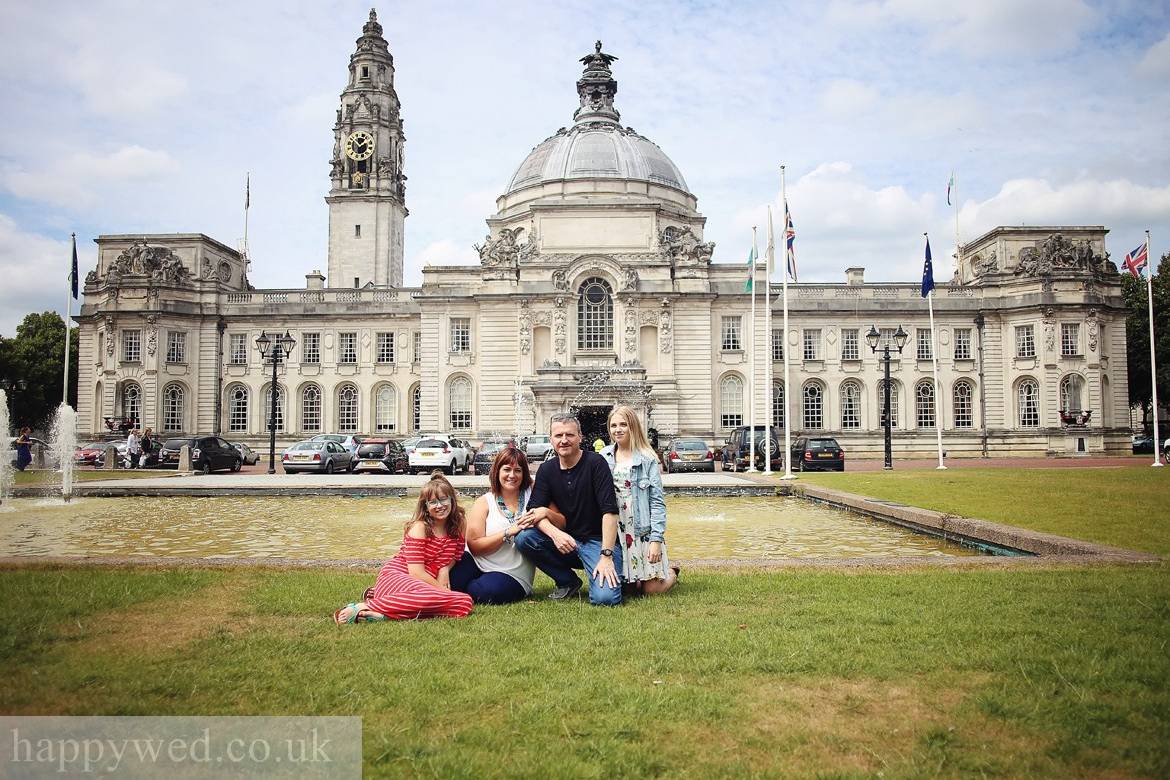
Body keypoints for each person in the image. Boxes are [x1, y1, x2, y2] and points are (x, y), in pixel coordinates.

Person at [334, 471, 474, 623]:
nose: (439, 506)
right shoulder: (420, 528)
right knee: (442, 598)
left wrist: (445, 568)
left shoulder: (460, 524)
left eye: (443, 499)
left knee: (465, 602)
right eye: (433, 502)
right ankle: (364, 606)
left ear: (452, 500)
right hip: (399, 576)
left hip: (423, 585)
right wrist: (442, 591)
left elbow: (457, 554)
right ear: (426, 506)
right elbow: (416, 572)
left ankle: (384, 614)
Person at [514, 413, 623, 606]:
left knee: (605, 599)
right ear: (551, 439)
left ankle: (619, 575)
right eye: (558, 435)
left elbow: (610, 512)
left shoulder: (596, 463)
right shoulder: (546, 469)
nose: (564, 440)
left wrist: (606, 556)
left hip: (598, 543)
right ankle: (567, 581)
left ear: (580, 437)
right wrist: (555, 534)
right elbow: (534, 512)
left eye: (570, 435)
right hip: (566, 542)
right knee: (524, 538)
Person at [450, 446, 565, 604]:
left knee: (483, 592)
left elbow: (561, 523)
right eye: (506, 469)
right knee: (450, 579)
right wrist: (508, 532)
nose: (512, 475)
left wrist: (545, 512)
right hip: (477, 562)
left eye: (518, 470)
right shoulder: (485, 501)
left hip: (513, 573)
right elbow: (474, 546)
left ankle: (463, 592)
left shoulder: (535, 494)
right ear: (497, 471)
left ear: (524, 473)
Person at [601, 406, 678, 596]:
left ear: (633, 427)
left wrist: (656, 540)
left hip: (642, 530)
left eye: (623, 425)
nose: (618, 430)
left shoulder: (647, 458)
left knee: (651, 590)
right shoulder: (604, 456)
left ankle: (672, 573)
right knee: (627, 590)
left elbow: (657, 502)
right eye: (613, 425)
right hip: (616, 530)